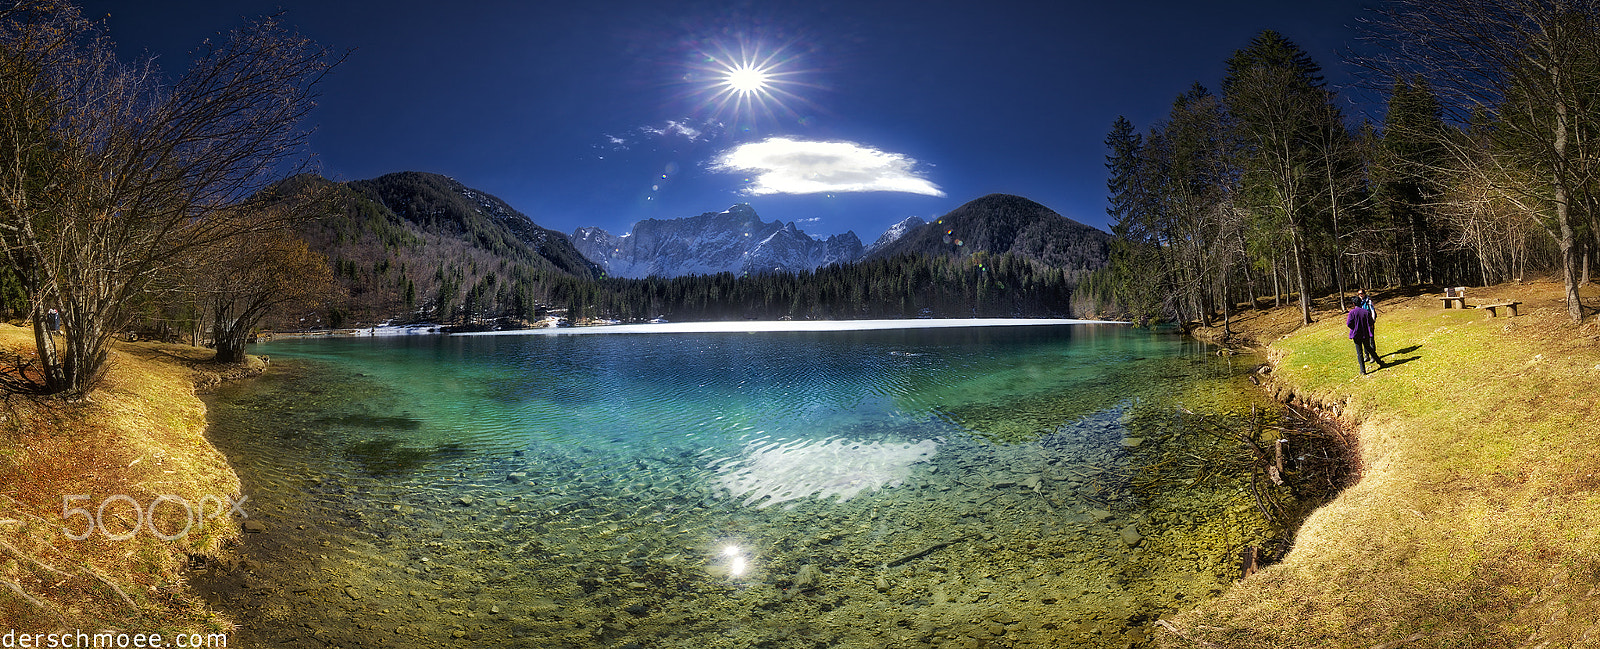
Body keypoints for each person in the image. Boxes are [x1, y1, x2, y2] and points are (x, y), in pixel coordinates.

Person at [1346, 299, 1380, 375]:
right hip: (1365, 333)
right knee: (1369, 348)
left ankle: (1363, 370)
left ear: (1354, 303)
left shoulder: (1352, 312)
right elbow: (1371, 322)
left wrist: (1354, 328)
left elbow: (1348, 323)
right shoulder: (1366, 312)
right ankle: (1380, 362)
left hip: (1356, 334)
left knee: (1359, 353)